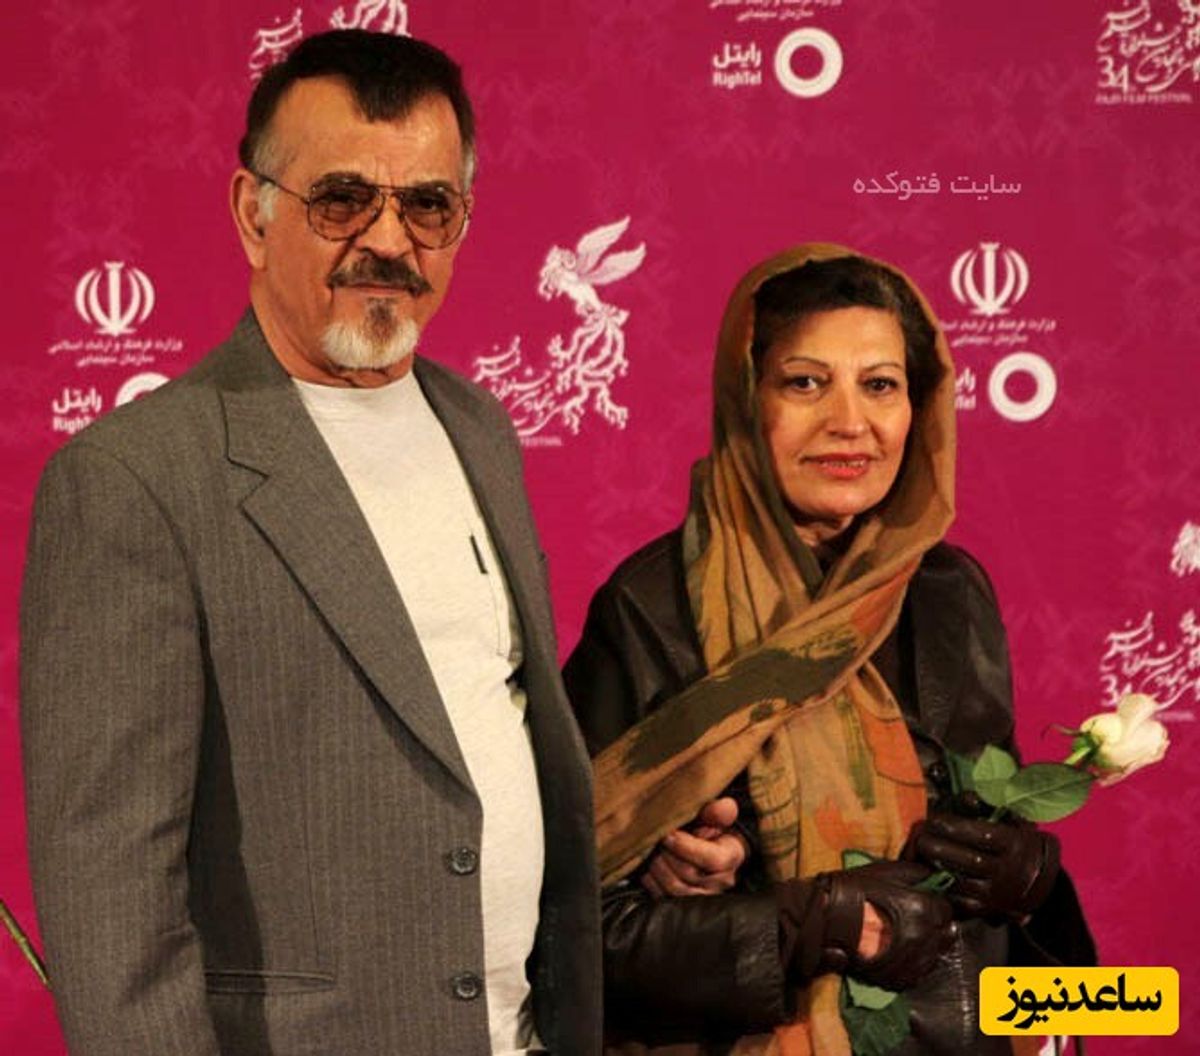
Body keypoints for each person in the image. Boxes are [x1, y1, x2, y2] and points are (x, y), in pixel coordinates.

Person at [21, 30, 600, 1056]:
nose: (390, 241)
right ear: (254, 214)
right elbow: (113, 903)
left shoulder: (480, 429)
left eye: (428, 205)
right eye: (342, 199)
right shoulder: (134, 479)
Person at [563, 243, 1095, 1054]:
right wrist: (796, 926)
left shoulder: (950, 593)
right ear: (748, 400)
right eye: (806, 383)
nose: (850, 423)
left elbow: (984, 858)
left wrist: (1029, 880)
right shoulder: (653, 609)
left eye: (880, 385)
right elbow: (578, 929)